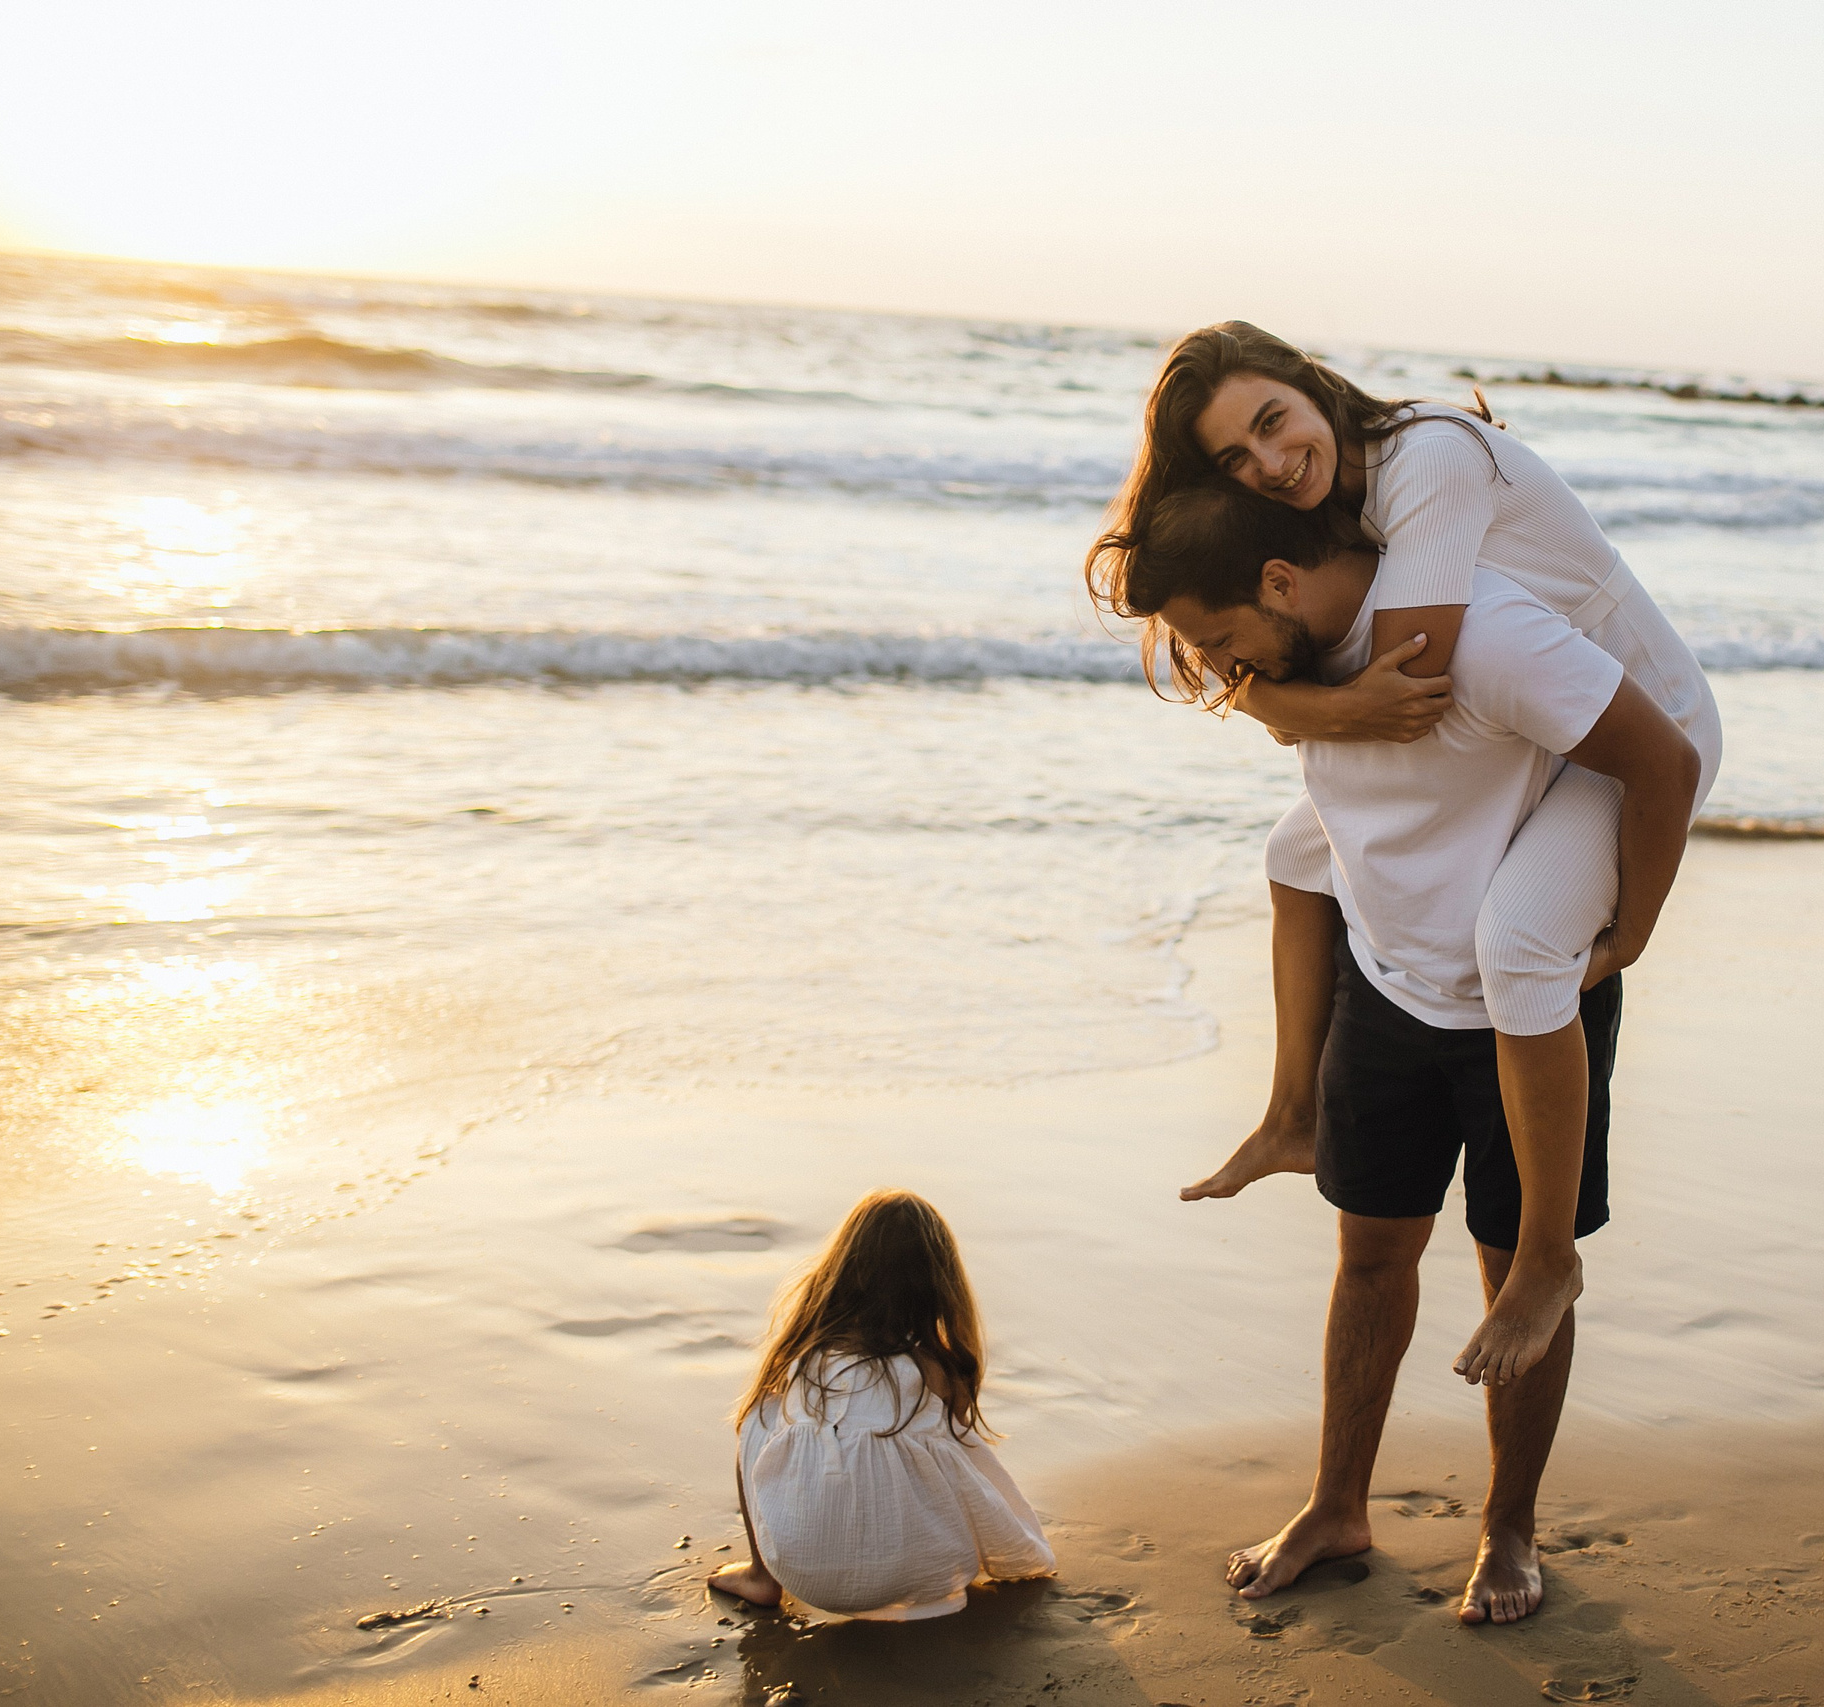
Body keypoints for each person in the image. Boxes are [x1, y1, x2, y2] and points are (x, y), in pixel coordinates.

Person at [1086, 322, 1720, 1390]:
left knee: (1519, 944)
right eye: (1233, 463)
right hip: (1543, 722)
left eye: (1271, 424)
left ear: (1308, 383)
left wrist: (1639, 922)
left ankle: (1546, 1259)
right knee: (1299, 852)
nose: (1268, 467)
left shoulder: (1422, 461)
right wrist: (1267, 689)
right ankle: (1293, 1116)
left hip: (1640, 733)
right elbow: (1333, 685)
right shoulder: (1320, 498)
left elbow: (1404, 688)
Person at [1113, 480, 1701, 1623]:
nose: (1221, 668)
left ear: (1279, 584)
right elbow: (1285, 759)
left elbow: (1662, 756)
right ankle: (1337, 1506)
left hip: (1528, 1013)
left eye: (1220, 637)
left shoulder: (1489, 638)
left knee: (1514, 1271)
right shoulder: (1299, 663)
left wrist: (1629, 929)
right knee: (1369, 1255)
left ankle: (1510, 1530)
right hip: (1384, 988)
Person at [709, 1190, 1055, 1620]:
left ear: (844, 1269)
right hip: (932, 1574)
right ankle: (925, 1551)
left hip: (803, 1572)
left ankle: (763, 1578)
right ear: (937, 1284)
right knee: (950, 1440)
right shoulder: (938, 1369)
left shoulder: (808, 1359)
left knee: (758, 1415)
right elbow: (957, 1460)